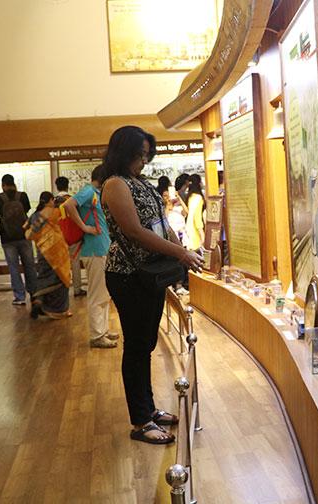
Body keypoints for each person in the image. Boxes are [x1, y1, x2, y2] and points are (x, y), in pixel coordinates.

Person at [101, 126, 203, 444]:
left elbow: (160, 227)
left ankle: (148, 409)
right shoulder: (115, 184)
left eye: (147, 154)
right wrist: (180, 253)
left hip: (149, 273)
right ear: (124, 151)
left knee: (145, 344)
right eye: (139, 154)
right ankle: (140, 420)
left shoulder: (138, 183)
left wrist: (181, 248)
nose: (144, 160)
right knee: (136, 346)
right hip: (128, 274)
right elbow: (134, 231)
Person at [63, 164, 118, 348]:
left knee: (103, 292)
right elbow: (69, 204)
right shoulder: (88, 191)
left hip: (100, 249)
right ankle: (97, 335)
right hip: (95, 250)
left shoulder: (95, 192)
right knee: (97, 294)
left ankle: (102, 330)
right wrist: (85, 227)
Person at [0, 174, 37, 305]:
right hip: (24, 236)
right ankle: (34, 293)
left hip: (7, 238)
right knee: (29, 265)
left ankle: (19, 296)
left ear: (3, 185)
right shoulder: (22, 196)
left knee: (13, 267)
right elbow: (27, 209)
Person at [25, 192, 72, 319]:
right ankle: (58, 310)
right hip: (56, 253)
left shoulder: (35, 215)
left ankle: (38, 301)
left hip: (42, 253)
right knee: (61, 280)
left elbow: (27, 231)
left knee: (44, 279)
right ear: (51, 200)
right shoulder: (53, 212)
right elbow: (67, 211)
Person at [54, 176, 85, 297]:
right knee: (75, 263)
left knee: (61, 265)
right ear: (68, 185)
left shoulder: (52, 202)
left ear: (57, 186)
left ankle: (61, 291)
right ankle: (77, 289)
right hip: (74, 237)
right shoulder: (73, 200)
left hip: (59, 238)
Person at [184, 173, 206, 252]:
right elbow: (197, 216)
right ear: (199, 183)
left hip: (189, 228)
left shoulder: (190, 196)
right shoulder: (198, 197)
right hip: (195, 231)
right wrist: (202, 233)